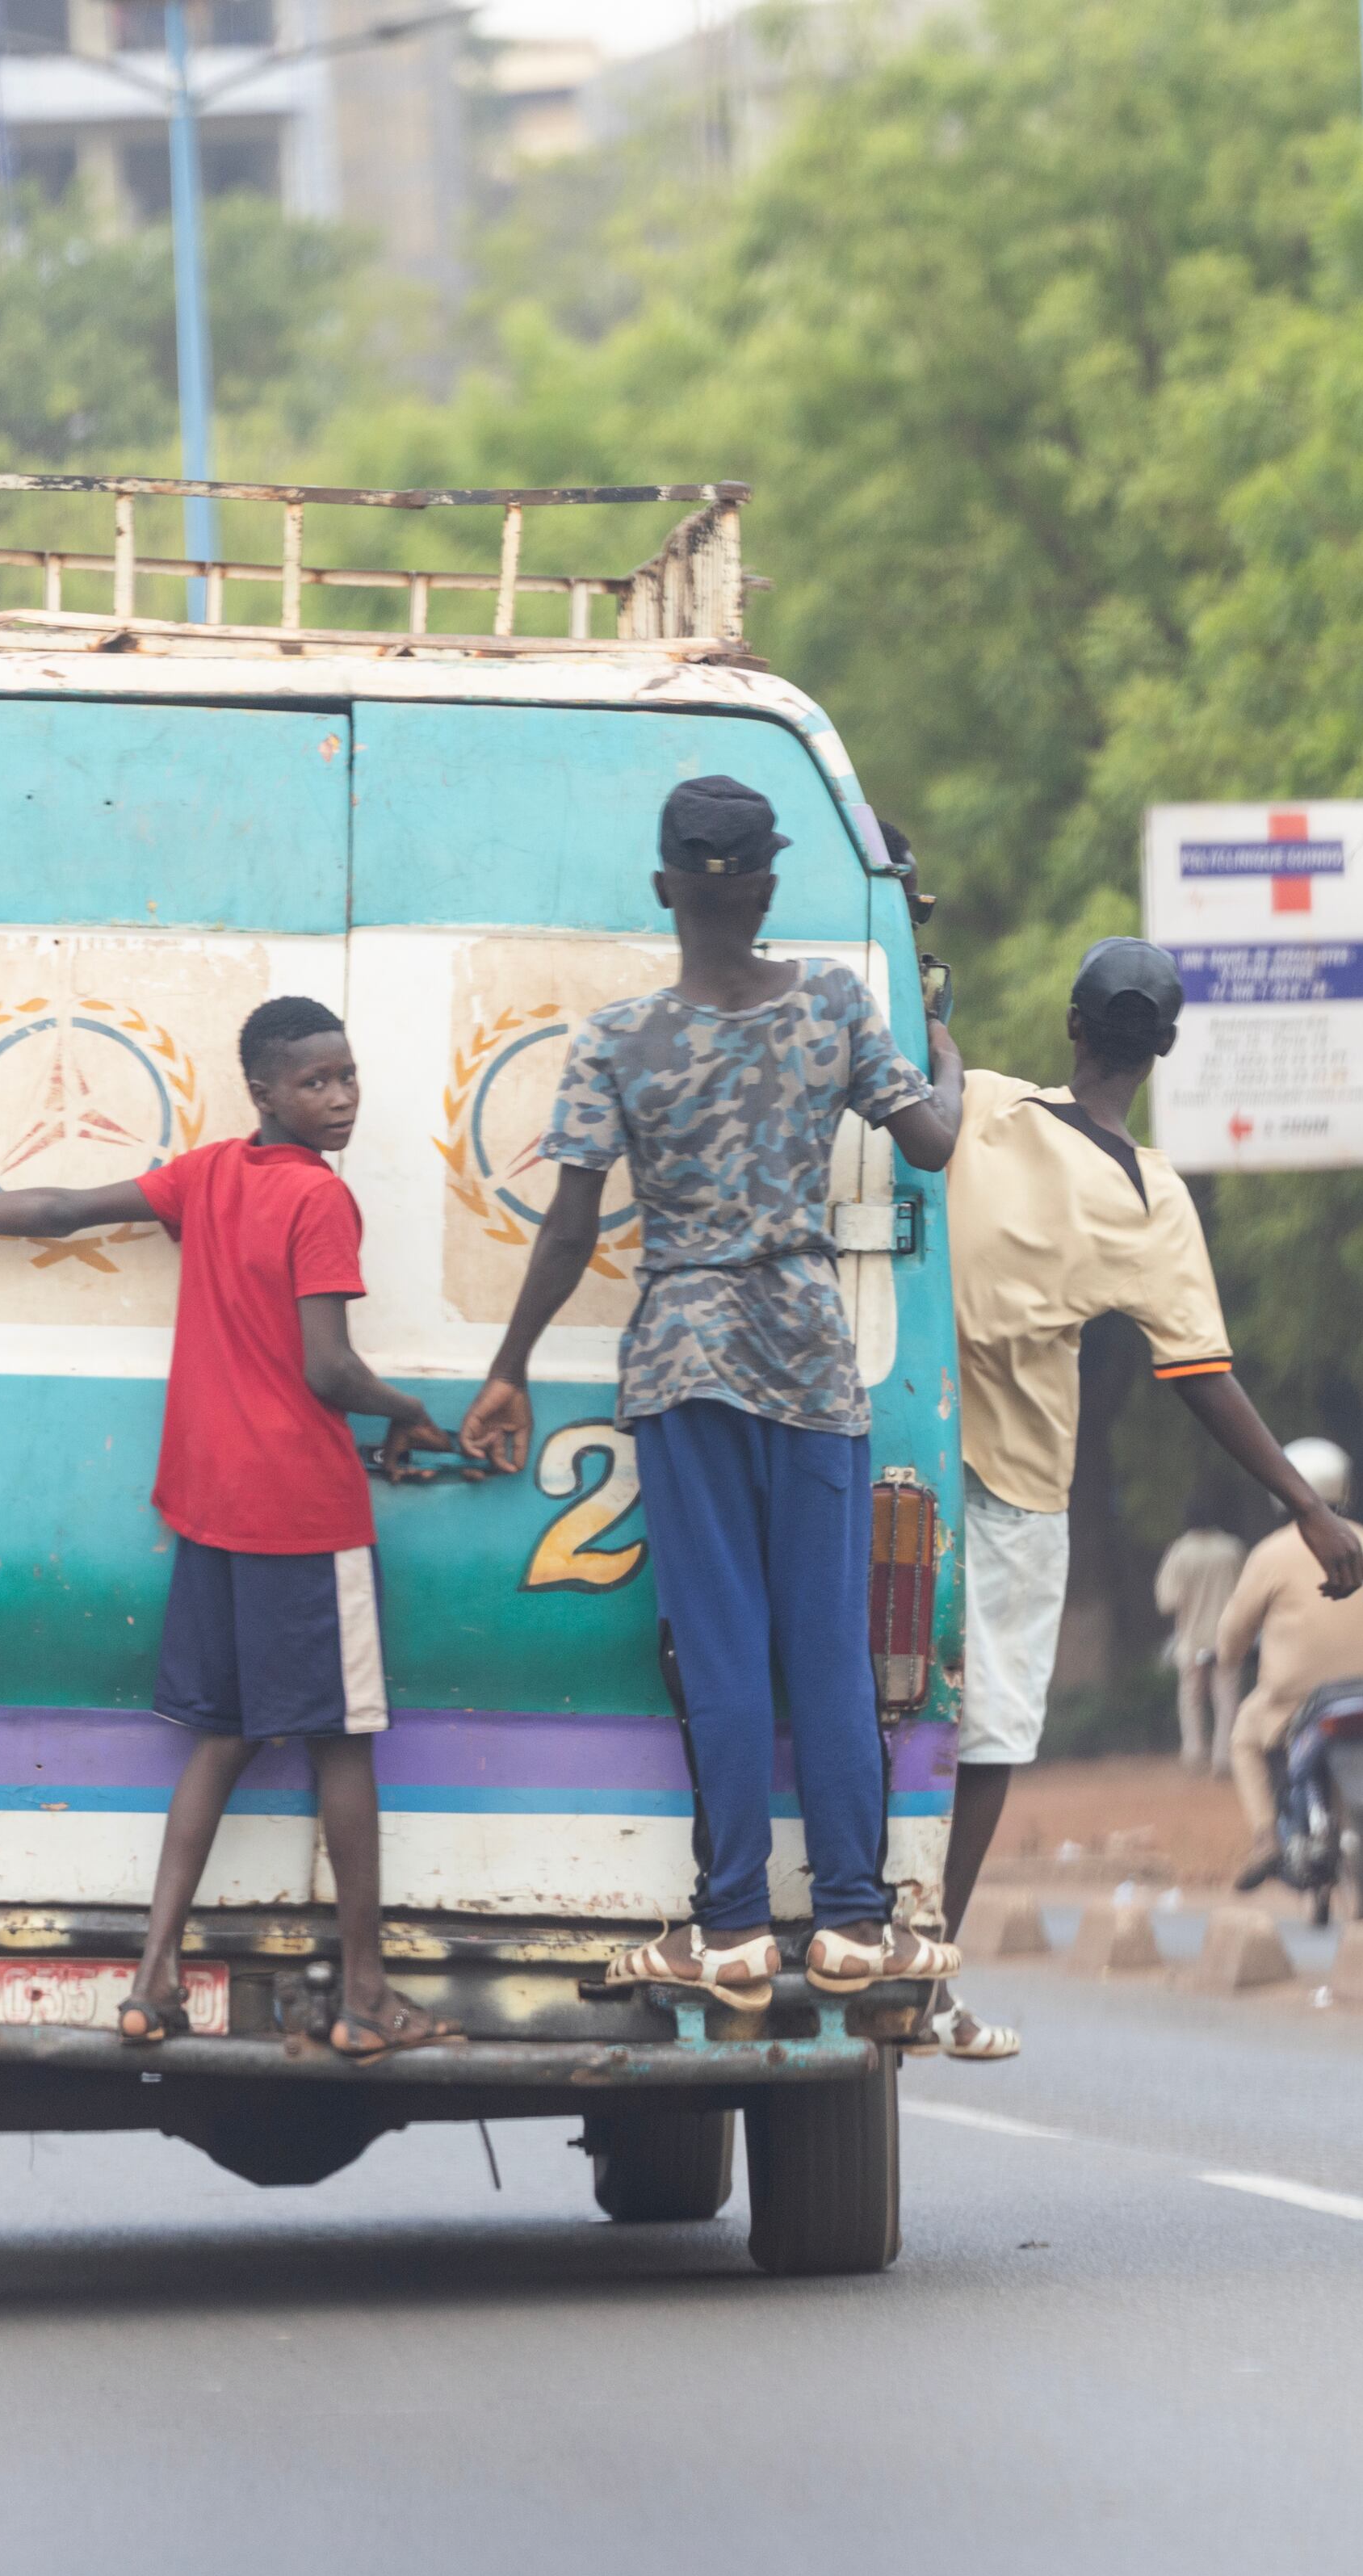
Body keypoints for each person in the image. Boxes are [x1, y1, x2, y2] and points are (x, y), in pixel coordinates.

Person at [0, 994, 465, 2058]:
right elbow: (328, 1368)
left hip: (212, 1503)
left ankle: (152, 1978)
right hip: (303, 1510)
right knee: (343, 1740)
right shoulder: (319, 1197)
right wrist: (411, 1412)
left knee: (223, 1735)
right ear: (263, 1090)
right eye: (315, 1080)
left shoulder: (210, 1173)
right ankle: (364, 1997)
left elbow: (61, 1207)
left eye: (347, 1075)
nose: (340, 1096)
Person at [456, 774, 967, 2015]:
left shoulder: (618, 1039)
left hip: (682, 1352)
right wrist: (946, 1062)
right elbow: (934, 1142)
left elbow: (569, 1227)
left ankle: (731, 1927)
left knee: (723, 1647)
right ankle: (853, 1921)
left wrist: (509, 1365)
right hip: (807, 1350)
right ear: (770, 884)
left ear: (665, 888)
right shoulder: (834, 1003)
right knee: (828, 1646)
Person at [933, 934, 1363, 2058]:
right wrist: (1305, 1505)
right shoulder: (1148, 1190)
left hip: (897, 1445)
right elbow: (1200, 1374)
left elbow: (924, 1088)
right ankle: (924, 1963)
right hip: (1017, 1481)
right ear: (1163, 1050)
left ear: (1072, 1024)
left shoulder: (980, 1102)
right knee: (990, 1728)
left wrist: (938, 1027)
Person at [1218, 1438, 1363, 1886]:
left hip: (1294, 1699)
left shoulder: (1270, 1554)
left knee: (1244, 1738)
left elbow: (1233, 1634)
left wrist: (1229, 1657)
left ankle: (1265, 1838)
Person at [1152, 1519, 1249, 1776]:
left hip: (1192, 1639)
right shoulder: (1231, 1549)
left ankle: (1194, 1753)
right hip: (1226, 1637)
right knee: (1226, 1697)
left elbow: (1167, 1602)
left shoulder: (1179, 1552)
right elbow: (1246, 1592)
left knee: (1191, 1698)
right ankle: (1223, 1757)